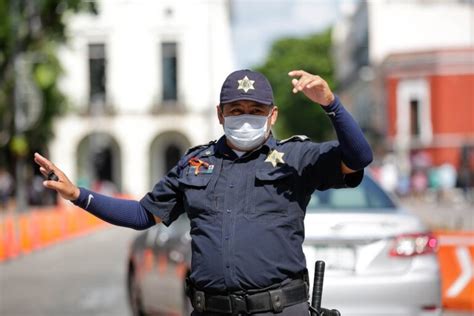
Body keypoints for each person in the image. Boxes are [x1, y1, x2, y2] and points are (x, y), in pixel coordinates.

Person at [34, 69, 373, 315]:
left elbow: (359, 157)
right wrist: (77, 194)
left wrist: (331, 104)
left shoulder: (297, 158)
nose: (245, 118)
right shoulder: (196, 163)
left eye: (255, 111)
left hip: (279, 309)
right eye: (236, 111)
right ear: (220, 114)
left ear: (272, 115)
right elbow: (141, 214)